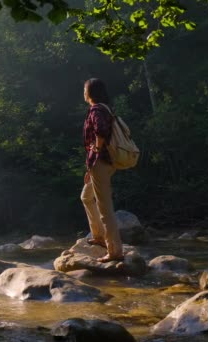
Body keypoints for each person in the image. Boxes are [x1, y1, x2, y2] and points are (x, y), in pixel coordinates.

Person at [80, 78, 124, 263]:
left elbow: (101, 131)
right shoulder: (105, 108)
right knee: (86, 196)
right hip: (101, 163)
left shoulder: (97, 109)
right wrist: (90, 167)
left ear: (89, 92)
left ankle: (114, 251)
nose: (83, 92)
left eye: (85, 89)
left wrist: (96, 152)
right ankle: (98, 236)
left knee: (105, 207)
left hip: (101, 161)